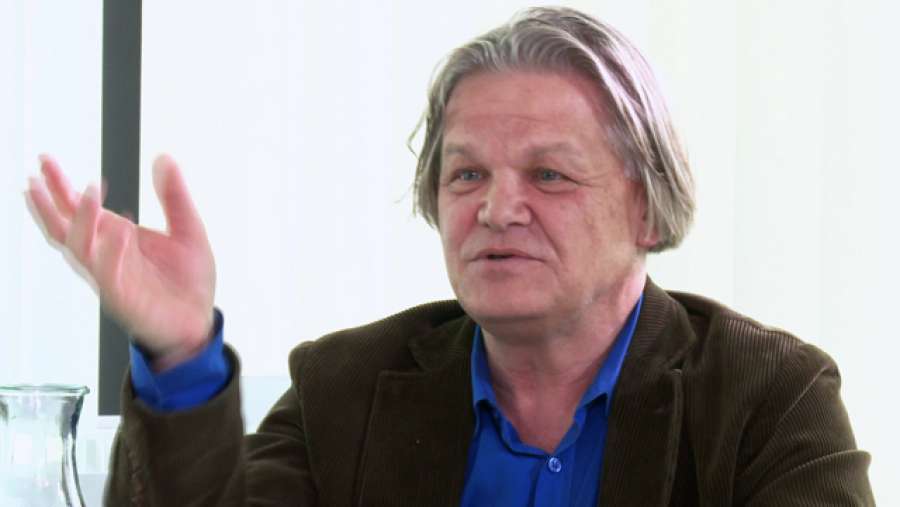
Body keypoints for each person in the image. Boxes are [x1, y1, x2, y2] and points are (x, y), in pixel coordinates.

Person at [25, 6, 873, 506]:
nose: (496, 208)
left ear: (647, 206)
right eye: (466, 173)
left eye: (549, 174)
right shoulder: (345, 387)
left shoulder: (767, 398)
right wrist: (181, 354)